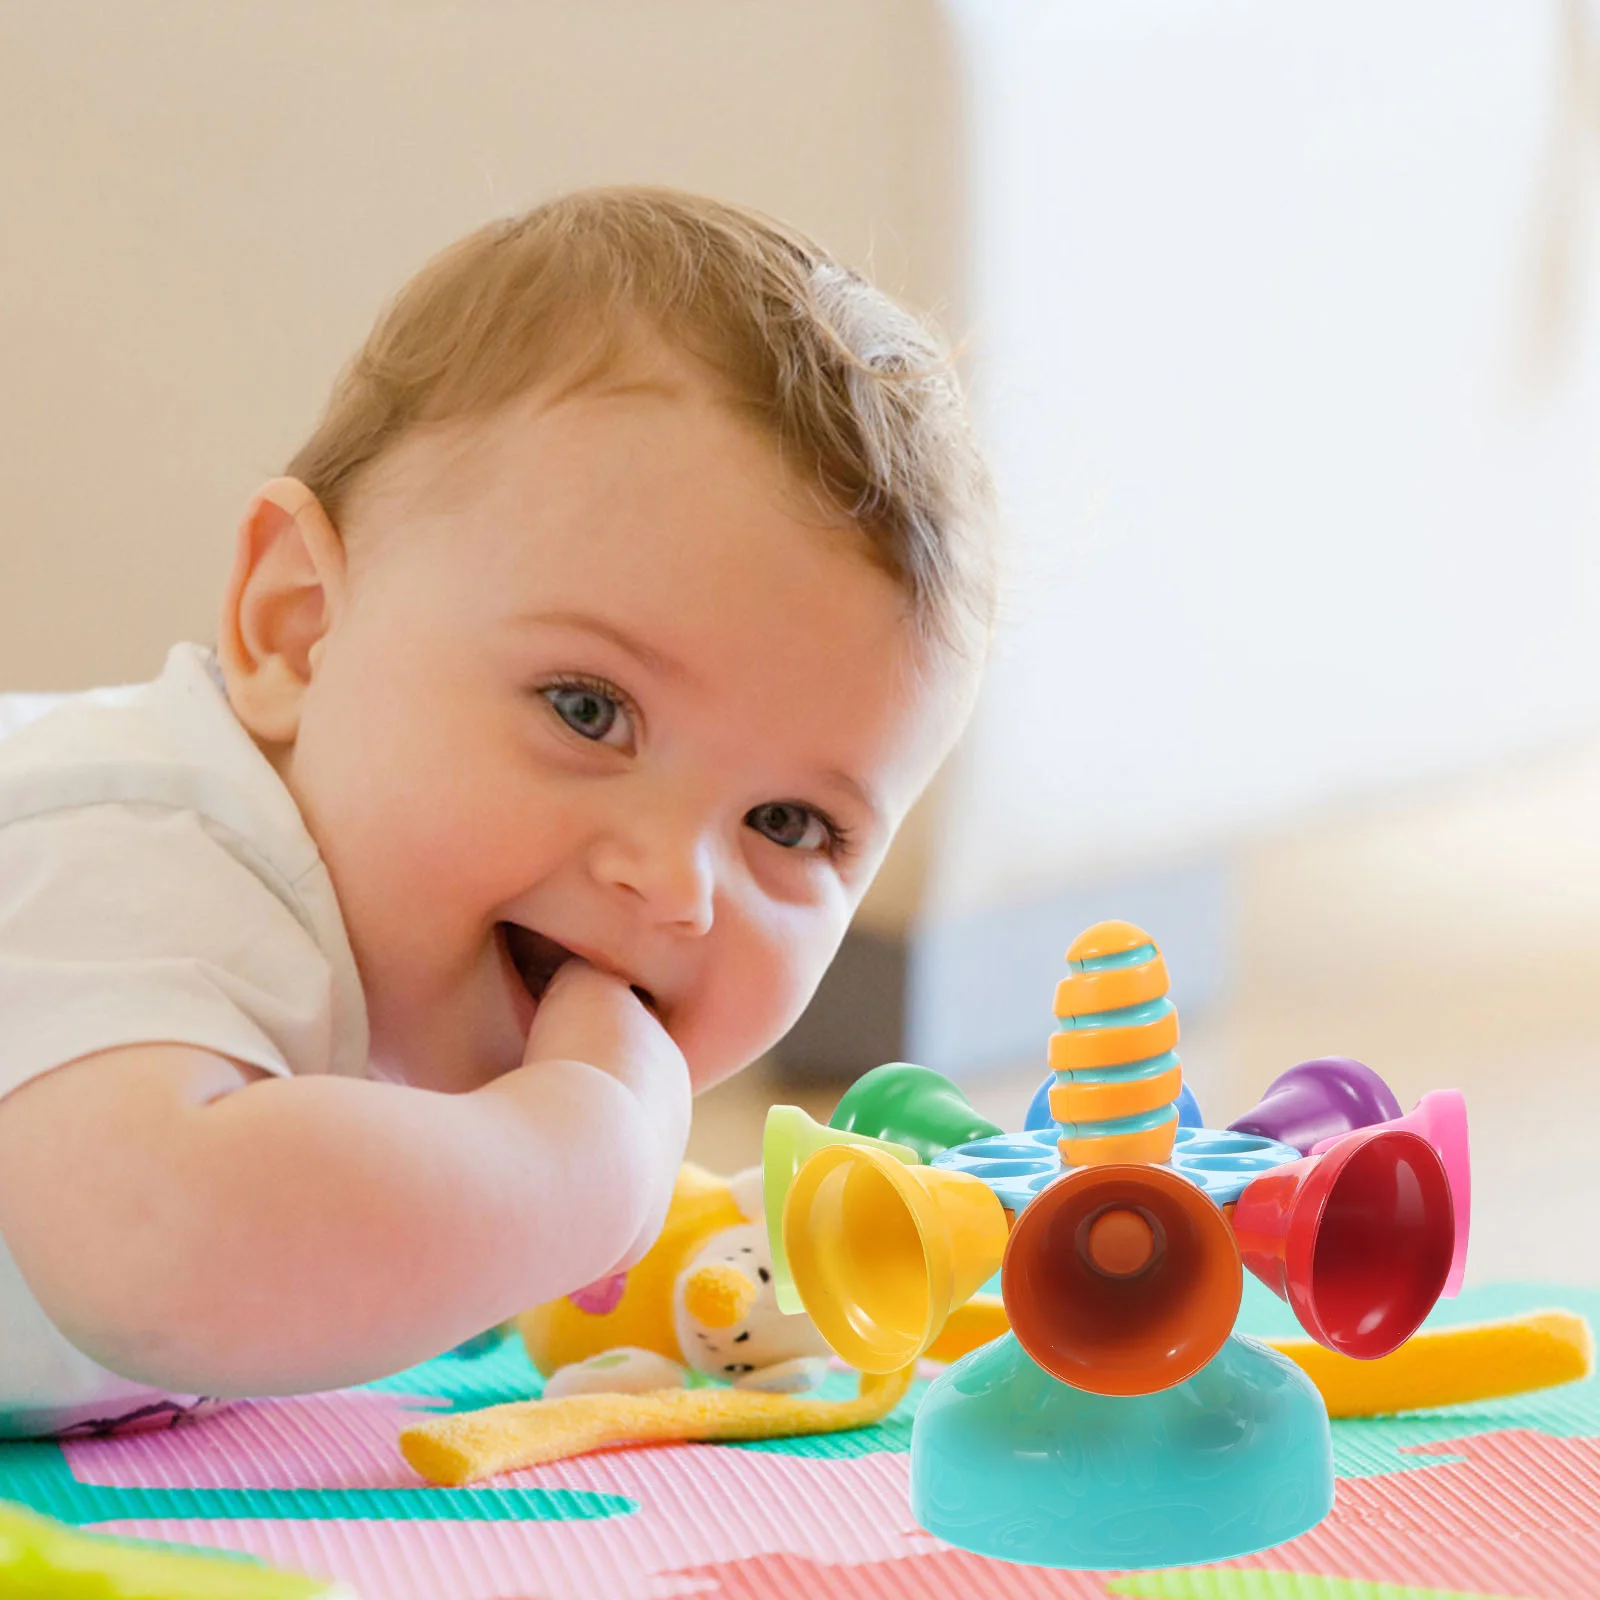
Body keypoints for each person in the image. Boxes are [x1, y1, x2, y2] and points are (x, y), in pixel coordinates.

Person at [0, 187, 996, 1436]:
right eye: (587, 709)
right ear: (299, 629)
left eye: (788, 825)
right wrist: (572, 1166)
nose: (676, 884)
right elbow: (151, 1246)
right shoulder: (130, 849)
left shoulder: (386, 963)